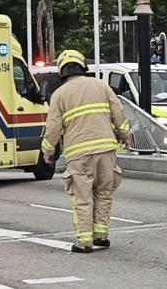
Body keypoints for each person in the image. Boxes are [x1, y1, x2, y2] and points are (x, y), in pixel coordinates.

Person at [41, 50, 131, 253]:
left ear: (62, 71)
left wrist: (47, 150)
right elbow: (118, 113)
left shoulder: (59, 95)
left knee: (82, 197)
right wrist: (125, 135)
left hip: (78, 153)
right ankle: (101, 235)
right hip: (106, 149)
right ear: (83, 67)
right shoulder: (101, 86)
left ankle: (84, 242)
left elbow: (53, 127)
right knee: (104, 193)